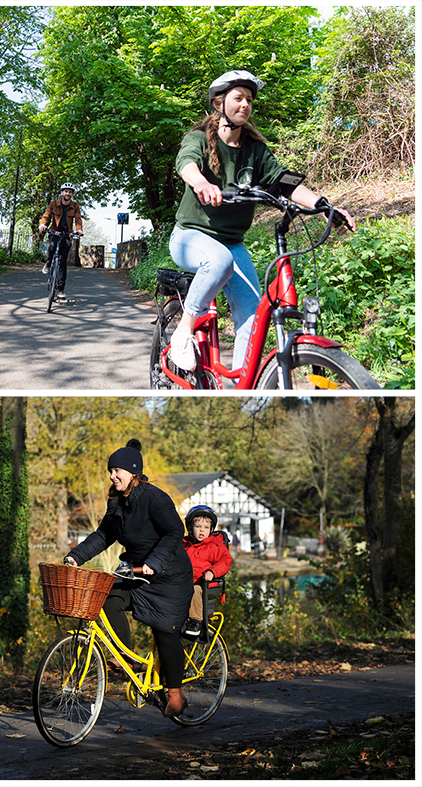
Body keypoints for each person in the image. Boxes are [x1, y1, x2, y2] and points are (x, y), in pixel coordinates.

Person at [167, 69, 356, 371]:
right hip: (190, 236)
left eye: (249, 100)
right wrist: (200, 182)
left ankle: (241, 391)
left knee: (254, 317)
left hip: (232, 243)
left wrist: (324, 206)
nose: (245, 105)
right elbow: (186, 163)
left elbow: (285, 182)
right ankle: (184, 330)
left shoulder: (255, 149)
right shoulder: (199, 139)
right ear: (220, 103)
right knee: (218, 261)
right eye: (237, 98)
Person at [63, 439, 193, 718]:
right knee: (107, 595)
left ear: (133, 473)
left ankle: (175, 693)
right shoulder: (117, 503)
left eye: (117, 470)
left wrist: (153, 563)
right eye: (111, 470)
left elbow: (174, 532)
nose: (112, 475)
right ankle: (123, 656)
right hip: (138, 572)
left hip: (170, 576)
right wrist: (76, 556)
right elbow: (104, 535)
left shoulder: (154, 498)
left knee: (164, 631)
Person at [180, 505, 232, 638]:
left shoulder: (214, 546)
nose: (202, 530)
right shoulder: (184, 545)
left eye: (206, 527)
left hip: (205, 586)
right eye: (198, 527)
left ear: (212, 530)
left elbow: (225, 561)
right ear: (190, 528)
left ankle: (196, 621)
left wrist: (212, 572)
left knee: (195, 589)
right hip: (185, 585)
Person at [37, 182, 84, 302]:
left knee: (63, 262)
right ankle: (48, 263)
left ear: (72, 194)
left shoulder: (75, 206)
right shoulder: (54, 203)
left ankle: (61, 290)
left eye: (70, 192)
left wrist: (79, 230)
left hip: (67, 234)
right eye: (66, 191)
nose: (68, 193)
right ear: (62, 192)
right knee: (52, 246)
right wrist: (43, 224)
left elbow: (78, 218)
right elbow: (47, 214)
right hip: (54, 232)